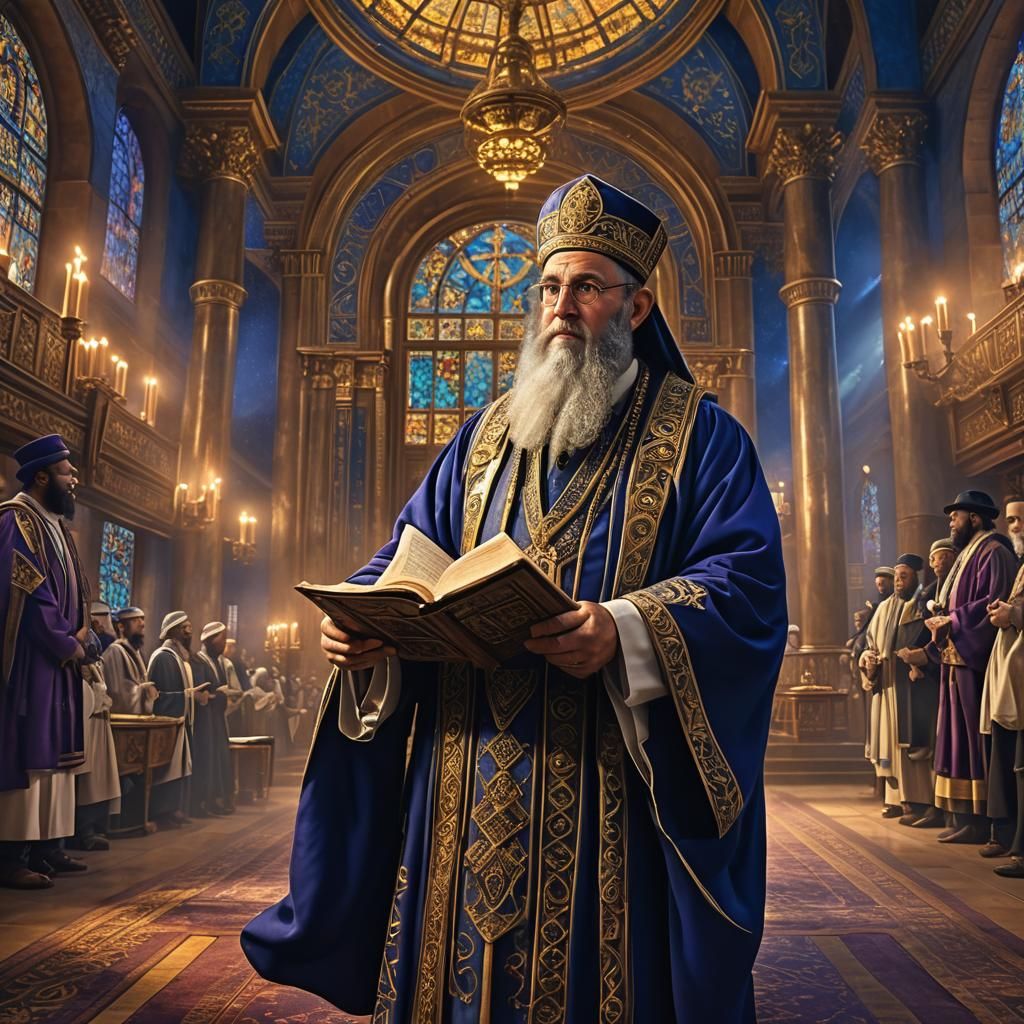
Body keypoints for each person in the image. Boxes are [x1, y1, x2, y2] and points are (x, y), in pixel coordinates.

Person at [243, 175, 788, 1022]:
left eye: (587, 287)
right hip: (463, 769)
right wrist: (361, 626)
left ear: (636, 309)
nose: (562, 306)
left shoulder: (703, 439)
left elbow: (745, 582)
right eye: (549, 287)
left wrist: (625, 627)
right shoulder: (482, 437)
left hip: (609, 779)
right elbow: (405, 557)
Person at [0, 434, 89, 888]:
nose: (73, 479)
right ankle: (11, 856)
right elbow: (28, 593)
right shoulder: (18, 521)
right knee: (29, 751)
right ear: (40, 476)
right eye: (66, 472)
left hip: (58, 660)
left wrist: (84, 633)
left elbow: (77, 589)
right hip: (33, 660)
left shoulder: (52, 523)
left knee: (53, 755)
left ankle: (47, 846)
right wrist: (65, 642)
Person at [926, 490, 1017, 844]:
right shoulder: (971, 552)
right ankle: (962, 812)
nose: (951, 522)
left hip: (973, 657)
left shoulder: (994, 551)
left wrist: (953, 620)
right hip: (956, 654)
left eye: (956, 516)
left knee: (973, 739)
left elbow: (992, 601)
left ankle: (982, 817)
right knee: (955, 738)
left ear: (975, 518)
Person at [980, 498, 1024, 865]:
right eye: (1010, 520)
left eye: (1018, 520)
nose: (1013, 527)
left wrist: (1014, 614)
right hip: (1011, 673)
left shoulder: (996, 553)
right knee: (1009, 758)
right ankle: (1012, 839)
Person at [147, 612, 199, 829]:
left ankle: (172, 808)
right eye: (184, 628)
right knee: (166, 768)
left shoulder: (177, 658)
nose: (189, 632)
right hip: (167, 724)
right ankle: (162, 811)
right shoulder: (163, 657)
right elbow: (160, 697)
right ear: (173, 631)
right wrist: (188, 696)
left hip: (179, 722)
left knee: (177, 767)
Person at [70, 628, 121, 850]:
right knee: (88, 783)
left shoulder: (96, 665)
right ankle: (83, 831)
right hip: (87, 726)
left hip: (100, 724)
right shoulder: (79, 668)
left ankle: (95, 826)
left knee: (100, 780)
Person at [194, 622, 236, 815]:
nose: (224, 643)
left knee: (218, 757)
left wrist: (220, 696)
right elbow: (202, 692)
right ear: (210, 639)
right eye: (222, 639)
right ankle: (202, 801)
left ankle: (215, 799)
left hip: (217, 717)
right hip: (205, 719)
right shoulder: (199, 661)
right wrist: (219, 696)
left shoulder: (218, 661)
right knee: (207, 758)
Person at [102, 607, 158, 714]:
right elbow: (117, 695)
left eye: (142, 620)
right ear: (121, 626)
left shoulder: (135, 653)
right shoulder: (115, 651)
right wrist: (145, 690)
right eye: (135, 620)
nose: (142, 624)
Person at [923, 538, 956, 608]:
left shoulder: (959, 581)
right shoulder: (928, 592)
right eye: (933, 560)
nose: (935, 564)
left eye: (941, 558)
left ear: (952, 558)